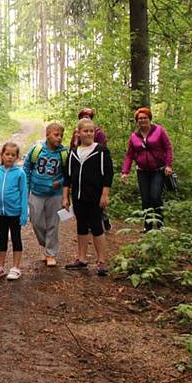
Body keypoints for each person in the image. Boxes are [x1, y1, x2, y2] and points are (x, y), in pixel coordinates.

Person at [62, 118, 113, 276]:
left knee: (97, 227)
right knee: (81, 226)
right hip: (78, 197)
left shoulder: (101, 151)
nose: (89, 133)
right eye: (85, 131)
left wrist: (105, 194)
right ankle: (82, 259)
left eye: (91, 131)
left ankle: (102, 261)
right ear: (78, 133)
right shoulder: (73, 153)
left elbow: (108, 174)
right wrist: (65, 197)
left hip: (95, 197)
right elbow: (67, 177)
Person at [121, 107, 174, 232]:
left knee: (155, 197)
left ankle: (160, 225)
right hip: (142, 171)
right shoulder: (134, 136)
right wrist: (125, 172)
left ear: (149, 118)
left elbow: (168, 148)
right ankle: (148, 227)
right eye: (140, 118)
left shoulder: (159, 131)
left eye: (145, 118)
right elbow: (129, 155)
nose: (142, 120)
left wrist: (168, 165)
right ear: (136, 121)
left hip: (158, 170)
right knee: (145, 199)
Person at [23, 123, 68, 266]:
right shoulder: (37, 150)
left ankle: (50, 253)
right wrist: (26, 189)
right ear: (47, 135)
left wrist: (60, 182)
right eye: (56, 134)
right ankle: (46, 242)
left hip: (55, 194)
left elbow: (68, 174)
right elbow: (27, 168)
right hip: (36, 192)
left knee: (53, 223)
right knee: (36, 221)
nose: (59, 138)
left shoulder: (64, 153)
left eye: (61, 135)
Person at [0, 142, 29, 281]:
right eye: (7, 154)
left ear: (17, 157)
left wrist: (24, 213)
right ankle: (0, 266)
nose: (10, 157)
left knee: (16, 238)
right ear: (2, 155)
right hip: (0, 213)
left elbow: (24, 194)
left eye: (13, 155)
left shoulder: (20, 173)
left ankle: (16, 267)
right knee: (2, 239)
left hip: (15, 213)